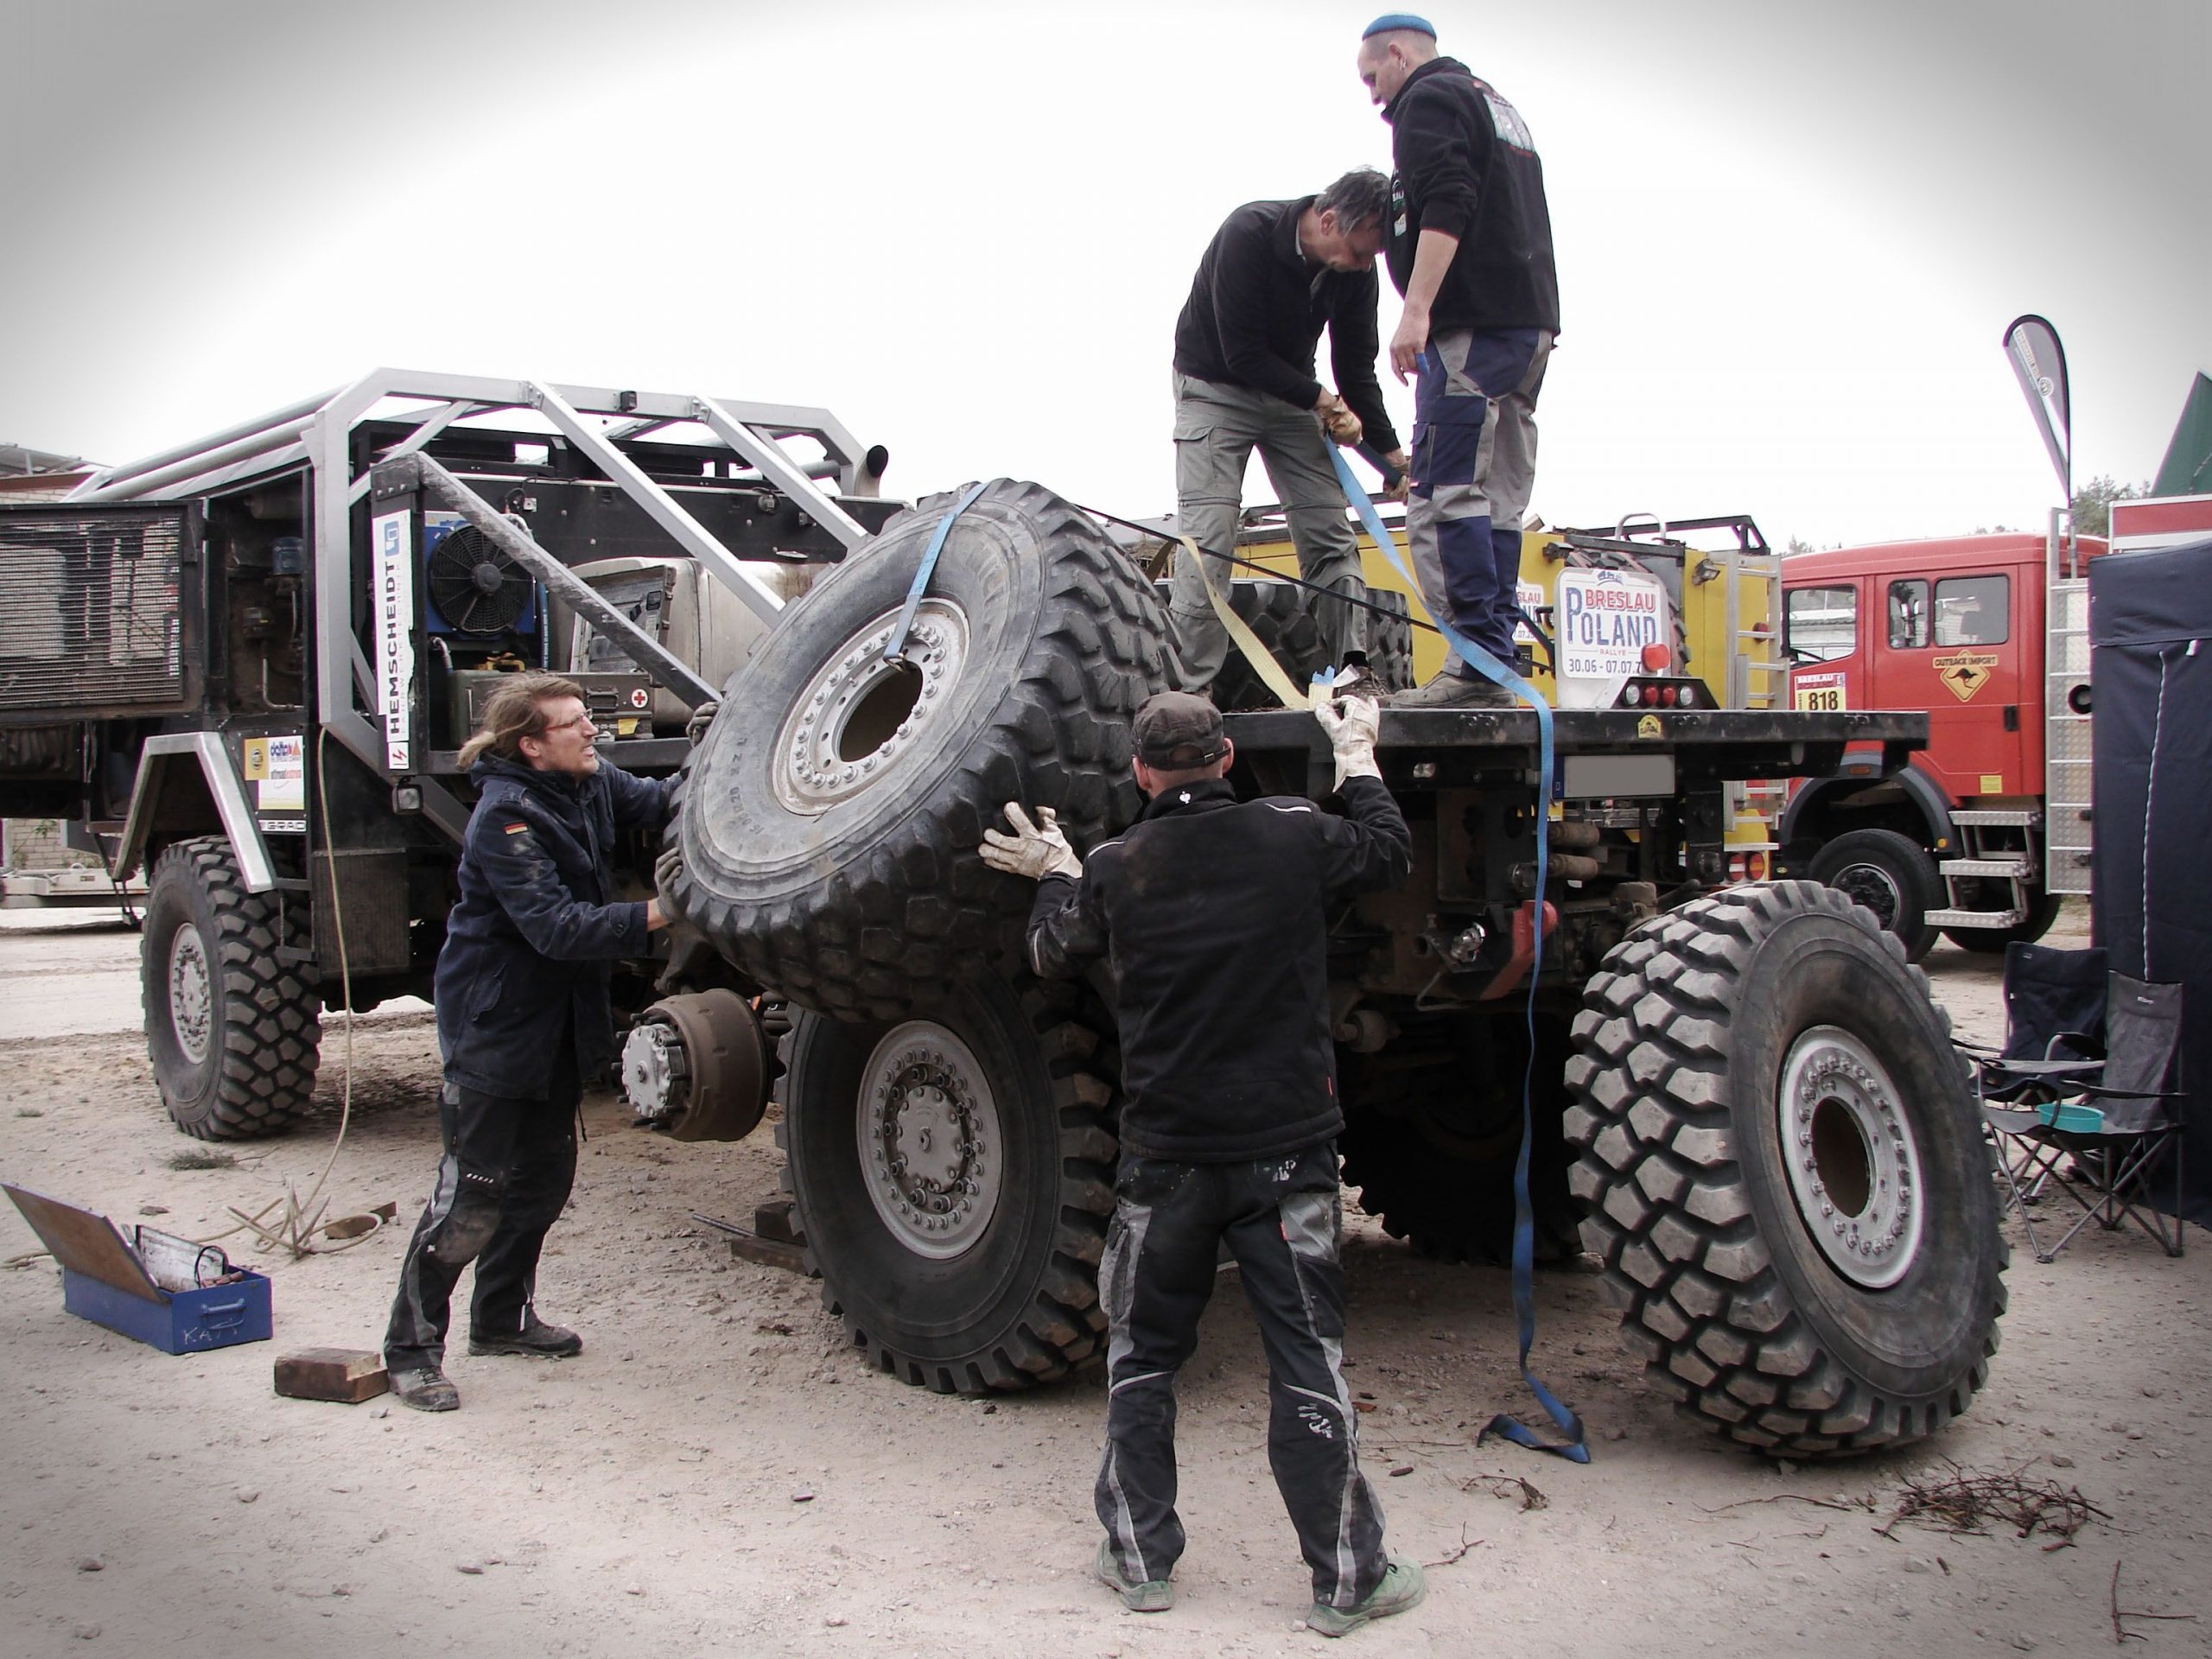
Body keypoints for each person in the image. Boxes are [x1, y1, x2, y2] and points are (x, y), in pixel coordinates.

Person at [977, 690, 1425, 1637]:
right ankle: (1349, 1579)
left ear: (1142, 774)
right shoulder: (1294, 834)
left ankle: (1141, 1562)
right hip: (1286, 1162)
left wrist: (1057, 873)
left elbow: (1053, 951)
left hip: (1166, 1164)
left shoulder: (1116, 867)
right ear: (1226, 756)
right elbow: (1388, 852)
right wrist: (1356, 755)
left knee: (1142, 1359)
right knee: (1306, 1360)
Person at [385, 674, 675, 1412]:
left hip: (556, 1024)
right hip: (497, 1025)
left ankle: (502, 1319)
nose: (591, 733)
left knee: (543, 1182)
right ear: (531, 745)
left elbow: (665, 797)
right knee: (472, 1196)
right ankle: (411, 1352)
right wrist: (660, 914)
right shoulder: (503, 819)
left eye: (587, 720)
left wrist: (725, 743)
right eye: (573, 724)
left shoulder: (589, 783)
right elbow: (554, 926)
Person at [1356, 14, 1560, 709]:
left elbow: (1448, 201)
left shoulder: (1427, 100)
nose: (1374, 95)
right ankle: (1496, 661)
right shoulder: (1497, 104)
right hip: (1528, 330)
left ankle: (1474, 665)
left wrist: (1416, 311)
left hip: (1471, 329)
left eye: (1371, 76)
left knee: (1443, 498)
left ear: (1396, 53)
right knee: (1497, 502)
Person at [1169, 169, 1413, 695]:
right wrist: (1323, 402)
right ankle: (1189, 693)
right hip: (1214, 388)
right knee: (1209, 540)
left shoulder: (1354, 273)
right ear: (1327, 220)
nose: (1364, 264)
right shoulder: (1246, 235)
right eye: (1358, 250)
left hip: (1292, 395)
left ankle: (1353, 674)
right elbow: (1244, 354)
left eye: (1372, 255)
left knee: (1330, 533)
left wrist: (1391, 458)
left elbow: (1355, 368)